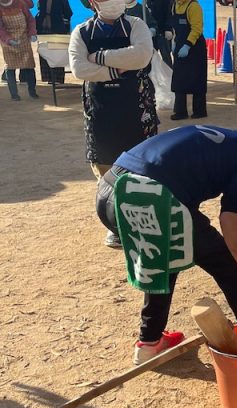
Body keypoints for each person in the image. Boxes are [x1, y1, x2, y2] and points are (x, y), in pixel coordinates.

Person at [95, 119, 237, 365]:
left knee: (166, 252)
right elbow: (232, 220)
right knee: (225, 261)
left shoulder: (227, 139)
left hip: (109, 192)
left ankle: (149, 343)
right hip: (148, 197)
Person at [69, 0, 159, 247]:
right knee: (106, 169)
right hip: (100, 111)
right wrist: (115, 69)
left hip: (136, 108)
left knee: (142, 167)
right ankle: (116, 225)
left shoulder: (136, 25)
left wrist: (99, 57)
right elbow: (79, 68)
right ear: (93, 2)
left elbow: (141, 56)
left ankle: (143, 224)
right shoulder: (82, 32)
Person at [169, 0, 206, 120]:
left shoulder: (193, 6)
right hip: (180, 44)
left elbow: (197, 28)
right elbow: (175, 27)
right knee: (179, 78)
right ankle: (180, 111)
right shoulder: (174, 5)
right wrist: (174, 41)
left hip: (195, 47)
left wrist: (188, 45)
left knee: (197, 78)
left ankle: (200, 111)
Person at [1, 0, 38, 101]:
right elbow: (0, 29)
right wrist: (8, 40)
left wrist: (32, 33)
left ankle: (32, 92)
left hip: (24, 39)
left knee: (29, 66)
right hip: (8, 44)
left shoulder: (21, 4)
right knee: (10, 68)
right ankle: (14, 95)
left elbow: (30, 19)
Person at [35, 0, 72, 85]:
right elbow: (68, 13)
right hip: (57, 28)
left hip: (42, 27)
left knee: (44, 51)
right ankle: (58, 78)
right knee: (58, 52)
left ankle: (48, 77)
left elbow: (39, 8)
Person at [146, 0, 172, 66]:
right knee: (150, 57)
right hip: (152, 33)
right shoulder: (147, 1)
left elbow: (169, 13)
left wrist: (168, 29)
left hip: (163, 32)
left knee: (166, 56)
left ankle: (169, 72)